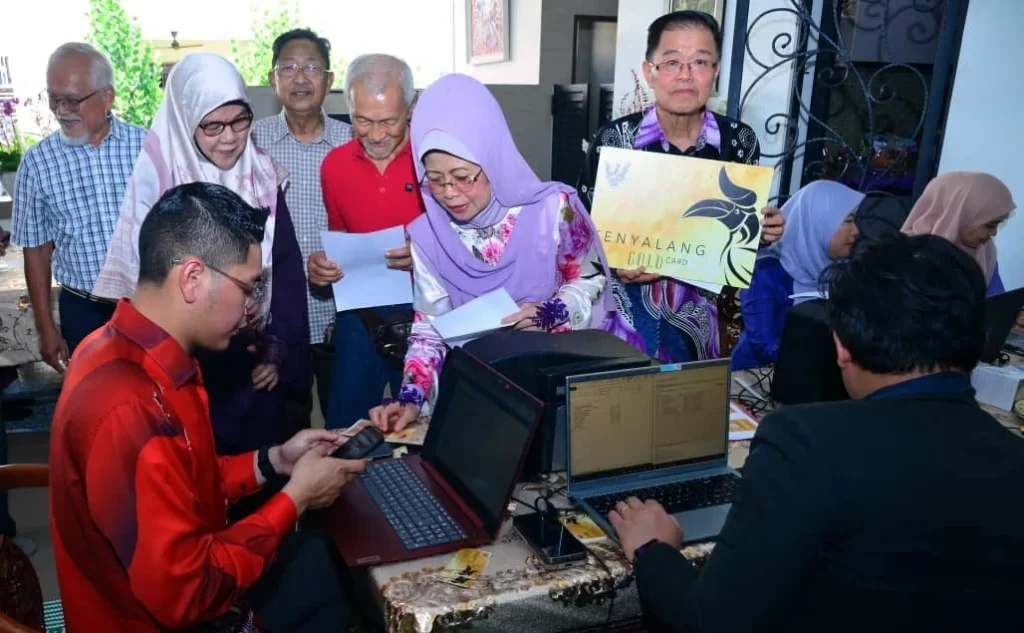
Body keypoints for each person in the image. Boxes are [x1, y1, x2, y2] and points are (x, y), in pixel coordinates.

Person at [610, 232, 1024, 632]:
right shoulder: (1013, 456)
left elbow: (710, 621)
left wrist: (652, 549)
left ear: (841, 347)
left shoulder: (805, 442)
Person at [50, 182, 363, 633]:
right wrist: (295, 499)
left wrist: (273, 461)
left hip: (176, 585)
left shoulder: (121, 348)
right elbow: (190, 593)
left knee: (324, 557)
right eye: (248, 287)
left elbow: (184, 480)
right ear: (193, 278)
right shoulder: (127, 405)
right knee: (337, 577)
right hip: (162, 616)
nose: (252, 308)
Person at [92, 53, 309, 457]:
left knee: (264, 465)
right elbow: (148, 290)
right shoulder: (157, 180)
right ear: (185, 120)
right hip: (181, 363)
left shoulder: (262, 174)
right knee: (187, 469)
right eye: (212, 125)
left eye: (240, 121)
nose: (229, 137)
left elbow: (286, 270)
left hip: (252, 359)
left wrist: (275, 348)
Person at [369, 73, 612, 432]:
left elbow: (591, 279)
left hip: (564, 380)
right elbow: (431, 329)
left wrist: (551, 312)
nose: (449, 192)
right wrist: (410, 398)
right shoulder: (427, 235)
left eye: (463, 176)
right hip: (488, 389)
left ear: (492, 160)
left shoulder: (552, 209)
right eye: (434, 179)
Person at [577, 10, 784, 362]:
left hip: (700, 320)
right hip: (625, 315)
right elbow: (581, 233)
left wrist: (760, 231)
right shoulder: (615, 140)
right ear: (650, 72)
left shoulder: (738, 142)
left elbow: (733, 238)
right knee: (621, 391)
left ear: (715, 72)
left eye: (700, 62)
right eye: (672, 62)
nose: (686, 75)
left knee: (688, 395)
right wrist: (613, 265)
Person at [11, 42, 146, 370]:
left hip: (150, 308)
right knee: (95, 398)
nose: (61, 110)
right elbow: (36, 251)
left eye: (71, 100)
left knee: (160, 396)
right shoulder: (38, 163)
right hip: (83, 312)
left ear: (107, 97)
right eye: (53, 98)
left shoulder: (148, 147)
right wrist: (46, 329)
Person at [308, 54, 424, 430]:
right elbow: (341, 236)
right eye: (362, 120)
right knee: (348, 431)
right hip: (360, 316)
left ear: (411, 107)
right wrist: (322, 268)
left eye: (389, 121)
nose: (375, 135)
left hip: (429, 314)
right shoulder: (334, 165)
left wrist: (426, 256)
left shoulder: (433, 159)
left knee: (430, 428)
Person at [252, 28, 353, 423]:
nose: (300, 78)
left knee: (345, 423)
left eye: (311, 68)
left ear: (329, 79)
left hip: (340, 315)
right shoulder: (252, 142)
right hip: (275, 319)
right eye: (288, 68)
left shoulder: (353, 141)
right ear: (273, 78)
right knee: (285, 430)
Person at [732, 180, 863, 369]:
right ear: (818, 224)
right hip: (756, 375)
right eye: (848, 221)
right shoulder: (766, 272)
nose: (856, 231)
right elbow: (765, 346)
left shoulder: (847, 272)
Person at [901, 171, 1016, 297]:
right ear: (961, 215)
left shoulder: (986, 253)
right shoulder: (903, 253)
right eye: (990, 225)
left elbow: (996, 301)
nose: (994, 233)